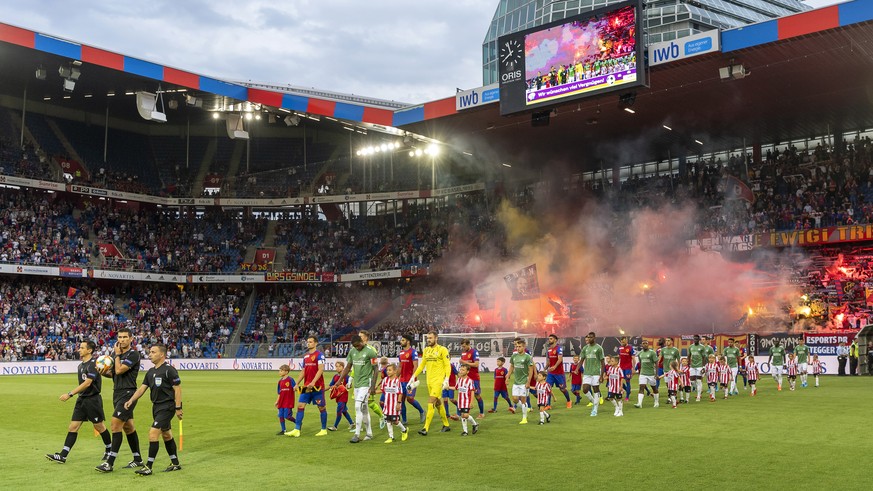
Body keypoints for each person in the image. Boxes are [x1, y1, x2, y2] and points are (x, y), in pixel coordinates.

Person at [46, 340, 112, 464]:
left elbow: (88, 383)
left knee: (99, 426)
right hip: (81, 400)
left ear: (89, 350)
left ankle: (109, 449)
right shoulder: (81, 365)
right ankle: (63, 455)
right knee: (73, 427)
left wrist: (70, 394)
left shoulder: (94, 364)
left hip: (92, 400)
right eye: (80, 347)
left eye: (82, 348)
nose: (79, 349)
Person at [123, 344, 183, 475]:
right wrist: (131, 400)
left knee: (153, 433)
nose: (149, 354)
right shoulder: (150, 372)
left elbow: (177, 389)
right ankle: (175, 463)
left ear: (162, 354)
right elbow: (142, 389)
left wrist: (178, 407)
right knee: (166, 434)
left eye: (153, 352)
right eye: (149, 352)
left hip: (167, 407)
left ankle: (148, 466)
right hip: (156, 407)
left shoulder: (169, 370)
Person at [96, 327, 144, 472]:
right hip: (117, 393)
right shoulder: (114, 354)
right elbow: (113, 374)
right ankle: (138, 459)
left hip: (128, 393)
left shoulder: (133, 354)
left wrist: (116, 355)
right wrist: (102, 372)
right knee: (128, 427)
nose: (121, 340)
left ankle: (109, 463)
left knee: (115, 424)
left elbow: (119, 370)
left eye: (124, 337)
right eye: (120, 337)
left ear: (131, 339)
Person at [407, 331, 452, 436]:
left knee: (430, 402)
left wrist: (447, 379)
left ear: (436, 338)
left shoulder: (442, 350)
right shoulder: (426, 350)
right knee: (437, 403)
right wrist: (413, 377)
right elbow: (421, 366)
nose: (428, 340)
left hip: (438, 381)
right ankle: (446, 424)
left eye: (431, 338)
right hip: (429, 381)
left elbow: (447, 365)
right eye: (428, 338)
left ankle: (425, 428)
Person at [336, 335, 380, 443]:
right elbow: (348, 367)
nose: (357, 348)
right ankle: (369, 433)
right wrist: (339, 380)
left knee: (357, 406)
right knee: (364, 409)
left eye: (358, 345)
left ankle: (357, 434)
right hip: (357, 384)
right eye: (355, 346)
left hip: (366, 384)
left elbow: (376, 369)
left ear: (362, 341)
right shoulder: (352, 351)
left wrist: (373, 386)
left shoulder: (370, 352)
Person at [286, 336, 328, 437]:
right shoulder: (305, 357)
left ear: (316, 343)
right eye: (307, 342)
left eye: (310, 342)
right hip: (306, 387)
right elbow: (304, 371)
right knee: (300, 406)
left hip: (317, 387)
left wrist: (313, 382)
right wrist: (296, 383)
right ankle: (297, 429)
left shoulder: (320, 355)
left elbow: (320, 370)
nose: (308, 344)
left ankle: (323, 429)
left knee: (321, 407)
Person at [397, 334, 425, 424]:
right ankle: (404, 420)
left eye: (403, 340)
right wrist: (396, 378)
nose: (401, 342)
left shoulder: (413, 352)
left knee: (410, 398)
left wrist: (412, 378)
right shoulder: (401, 353)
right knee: (401, 400)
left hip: (411, 380)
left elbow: (415, 366)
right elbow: (400, 367)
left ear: (408, 341)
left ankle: (422, 411)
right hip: (402, 380)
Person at [507, 338, 535, 424]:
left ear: (524, 347)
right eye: (517, 346)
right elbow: (512, 366)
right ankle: (525, 408)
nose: (517, 348)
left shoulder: (528, 357)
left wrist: (528, 382)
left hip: (524, 381)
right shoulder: (514, 356)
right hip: (516, 382)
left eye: (519, 346)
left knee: (523, 400)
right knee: (515, 399)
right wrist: (508, 375)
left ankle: (524, 418)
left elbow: (531, 370)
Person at [378, 363, 408, 443]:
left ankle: (404, 430)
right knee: (388, 420)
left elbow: (400, 393)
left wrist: (398, 403)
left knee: (395, 421)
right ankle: (391, 437)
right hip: (387, 405)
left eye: (390, 370)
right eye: (387, 370)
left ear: (395, 371)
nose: (388, 372)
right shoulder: (385, 380)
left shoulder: (397, 381)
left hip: (394, 405)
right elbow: (382, 390)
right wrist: (373, 392)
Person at [579, 332, 605, 416]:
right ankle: (594, 402)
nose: (589, 339)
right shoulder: (585, 348)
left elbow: (602, 362)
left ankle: (595, 410)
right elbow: (582, 359)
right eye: (588, 337)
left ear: (594, 338)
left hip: (596, 372)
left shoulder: (599, 348)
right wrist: (576, 369)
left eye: (591, 337)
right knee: (585, 389)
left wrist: (601, 375)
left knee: (595, 389)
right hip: (587, 372)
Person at [459, 339, 486, 418]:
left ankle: (481, 413)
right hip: (466, 378)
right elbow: (463, 365)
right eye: (462, 346)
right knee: (464, 395)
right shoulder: (463, 353)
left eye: (464, 346)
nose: (463, 348)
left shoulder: (474, 352)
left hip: (474, 378)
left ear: (468, 344)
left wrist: (465, 362)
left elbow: (476, 364)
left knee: (477, 395)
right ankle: (462, 413)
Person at [545, 334, 572, 408]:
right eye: (549, 338)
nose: (549, 340)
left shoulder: (559, 348)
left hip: (559, 373)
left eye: (551, 339)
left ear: (555, 340)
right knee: (547, 388)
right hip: (551, 373)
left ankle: (569, 401)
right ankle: (548, 405)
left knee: (562, 389)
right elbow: (549, 361)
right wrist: (545, 369)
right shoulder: (549, 349)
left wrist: (555, 366)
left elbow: (560, 359)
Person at [326, 361, 354, 432]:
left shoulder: (346, 376)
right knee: (344, 410)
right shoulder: (335, 377)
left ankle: (335, 426)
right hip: (337, 396)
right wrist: (322, 390)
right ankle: (352, 423)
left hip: (343, 396)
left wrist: (348, 386)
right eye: (336, 366)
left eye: (339, 366)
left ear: (343, 367)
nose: (338, 368)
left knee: (339, 410)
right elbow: (330, 385)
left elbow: (350, 385)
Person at [453, 365, 480, 436]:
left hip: (466, 401)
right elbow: (456, 388)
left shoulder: (470, 381)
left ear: (467, 372)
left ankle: (474, 424)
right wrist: (447, 387)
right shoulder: (459, 379)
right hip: (460, 401)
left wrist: (472, 402)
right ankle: (465, 431)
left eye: (463, 370)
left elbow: (472, 391)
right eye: (460, 369)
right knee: (462, 415)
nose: (461, 371)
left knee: (465, 415)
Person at [634, 339, 659, 408]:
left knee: (654, 388)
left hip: (651, 373)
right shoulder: (640, 354)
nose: (644, 344)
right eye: (643, 343)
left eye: (646, 343)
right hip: (643, 373)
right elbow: (641, 363)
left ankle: (656, 402)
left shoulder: (652, 353)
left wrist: (656, 374)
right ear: (641, 345)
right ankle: (639, 403)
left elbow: (656, 363)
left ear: (648, 345)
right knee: (641, 387)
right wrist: (640, 371)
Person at [275, 364, 296, 435]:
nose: (279, 372)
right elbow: (279, 393)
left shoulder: (290, 379)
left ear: (286, 372)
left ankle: (298, 423)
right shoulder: (280, 381)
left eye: (281, 371)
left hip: (288, 401)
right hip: (281, 401)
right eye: (279, 371)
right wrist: (277, 401)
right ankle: (283, 430)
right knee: (280, 416)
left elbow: (295, 388)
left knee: (287, 416)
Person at [688, 335, 708, 402]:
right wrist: (688, 365)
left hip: (699, 366)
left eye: (696, 339)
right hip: (692, 366)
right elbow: (689, 356)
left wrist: (703, 367)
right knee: (692, 381)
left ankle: (698, 396)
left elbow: (704, 357)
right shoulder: (691, 346)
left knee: (699, 381)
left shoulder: (702, 347)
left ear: (699, 339)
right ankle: (699, 389)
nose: (695, 340)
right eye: (694, 339)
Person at [617, 336, 635, 401]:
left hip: (628, 367)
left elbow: (633, 358)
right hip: (621, 367)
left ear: (626, 341)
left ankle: (627, 397)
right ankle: (627, 390)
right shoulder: (620, 348)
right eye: (621, 342)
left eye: (623, 341)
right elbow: (619, 358)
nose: (622, 343)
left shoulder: (630, 348)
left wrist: (633, 368)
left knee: (627, 381)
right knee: (620, 381)